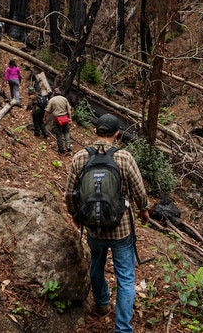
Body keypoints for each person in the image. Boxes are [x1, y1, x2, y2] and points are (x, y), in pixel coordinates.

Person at [65, 114, 150, 333]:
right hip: (120, 228)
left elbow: (69, 194)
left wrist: (76, 215)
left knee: (97, 264)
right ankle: (123, 328)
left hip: (93, 226)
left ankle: (102, 303)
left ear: (95, 131)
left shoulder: (80, 157)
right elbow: (139, 191)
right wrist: (143, 210)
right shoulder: (125, 158)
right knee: (125, 277)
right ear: (117, 134)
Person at [43, 88, 72, 152]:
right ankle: (68, 146)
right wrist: (70, 118)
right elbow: (69, 110)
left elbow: (47, 111)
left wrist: (44, 118)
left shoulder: (52, 100)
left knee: (58, 134)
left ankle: (61, 149)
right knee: (66, 132)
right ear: (60, 92)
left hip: (57, 119)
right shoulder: (64, 99)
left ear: (54, 93)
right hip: (65, 118)